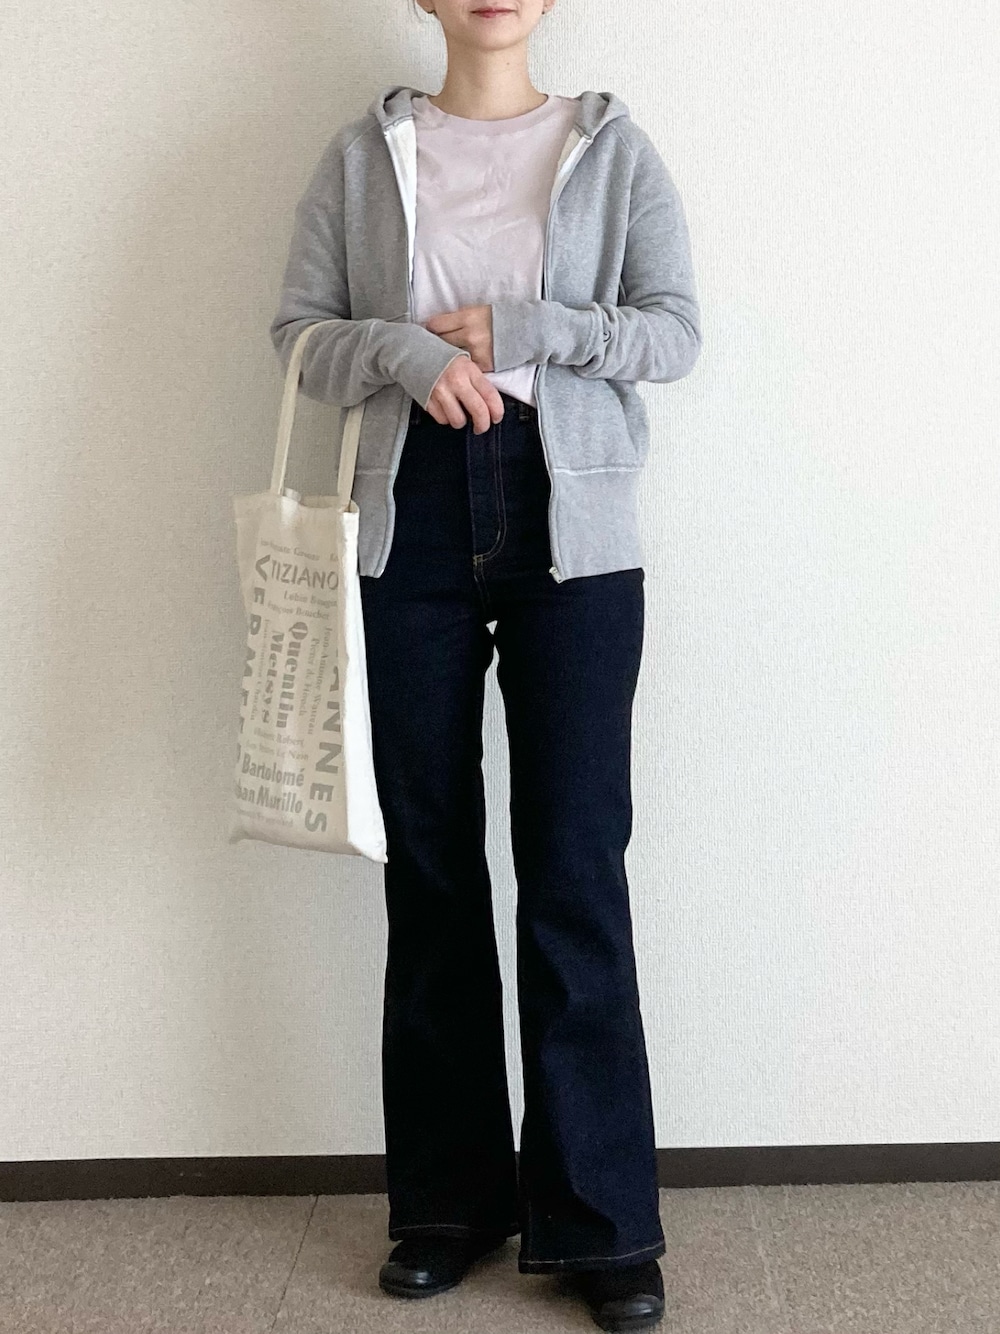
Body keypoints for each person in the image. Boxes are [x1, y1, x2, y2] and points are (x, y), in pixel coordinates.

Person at [269, 2, 701, 1328]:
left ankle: (600, 1220)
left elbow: (673, 334)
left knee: (574, 863)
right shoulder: (364, 156)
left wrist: (533, 330)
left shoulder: (613, 149)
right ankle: (447, 1201)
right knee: (434, 865)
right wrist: (399, 350)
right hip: (409, 517)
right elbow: (298, 334)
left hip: (576, 522)